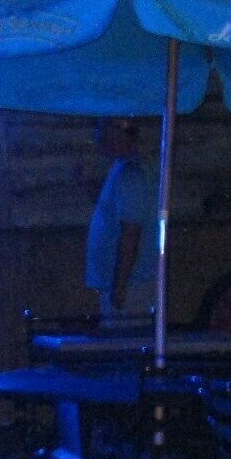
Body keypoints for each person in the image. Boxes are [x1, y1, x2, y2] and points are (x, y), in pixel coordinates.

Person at [85, 118, 159, 323]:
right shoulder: (121, 169)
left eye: (104, 128)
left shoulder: (132, 176)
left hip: (132, 286)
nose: (98, 135)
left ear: (120, 132)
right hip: (124, 284)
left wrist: (120, 286)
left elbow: (131, 234)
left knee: (125, 339)